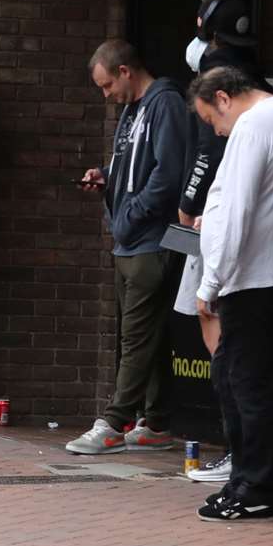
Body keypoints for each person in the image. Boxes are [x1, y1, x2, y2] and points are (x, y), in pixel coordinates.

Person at [188, 65, 273, 522]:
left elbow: (239, 207)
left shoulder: (252, 125)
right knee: (244, 379)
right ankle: (246, 481)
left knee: (243, 384)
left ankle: (254, 487)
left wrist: (210, 283)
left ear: (224, 98)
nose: (217, 131)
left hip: (252, 280)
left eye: (212, 120)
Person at [174, 0, 273, 483]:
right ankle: (261, 449)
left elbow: (214, 161)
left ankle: (253, 451)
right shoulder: (261, 87)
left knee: (224, 343)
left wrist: (190, 203)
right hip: (261, 251)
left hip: (222, 232)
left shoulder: (221, 81)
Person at [67, 40, 191, 454]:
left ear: (125, 71)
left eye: (106, 85)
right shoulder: (133, 110)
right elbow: (132, 166)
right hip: (130, 239)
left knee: (136, 338)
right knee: (146, 335)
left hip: (149, 241)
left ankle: (114, 421)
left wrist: (131, 213)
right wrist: (105, 176)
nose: (106, 95)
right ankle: (156, 421)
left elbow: (167, 173)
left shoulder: (165, 104)